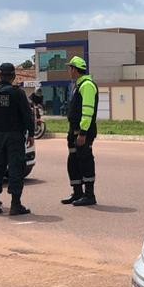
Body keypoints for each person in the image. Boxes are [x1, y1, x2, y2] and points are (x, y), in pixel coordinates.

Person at [0, 62, 34, 216]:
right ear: (13, 76)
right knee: (16, 168)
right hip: (14, 136)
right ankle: (15, 204)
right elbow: (26, 115)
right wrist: (31, 133)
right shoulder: (17, 93)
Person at [62, 56, 99, 206]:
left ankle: (89, 195)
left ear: (75, 69)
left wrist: (83, 132)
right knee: (73, 161)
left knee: (85, 160)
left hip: (83, 131)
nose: (69, 71)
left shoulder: (87, 85)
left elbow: (87, 110)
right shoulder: (78, 85)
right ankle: (77, 193)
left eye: (70, 68)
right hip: (74, 129)